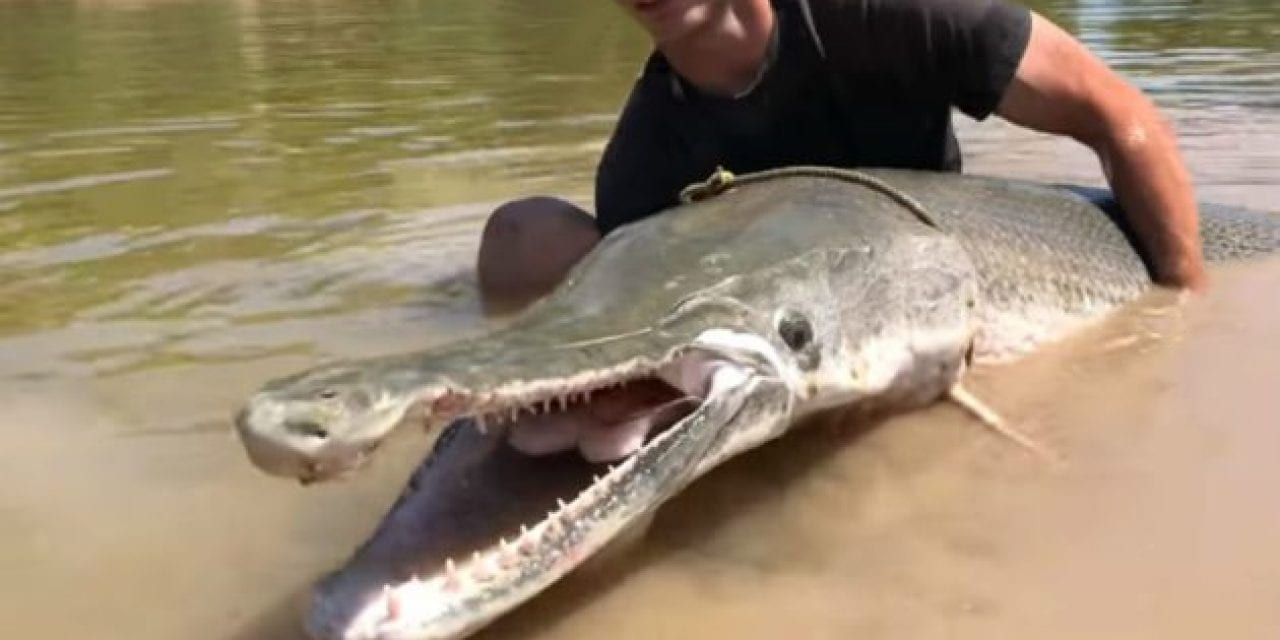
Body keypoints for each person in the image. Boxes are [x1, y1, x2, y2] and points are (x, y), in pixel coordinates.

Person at [475, 0, 1207, 314]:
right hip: (813, 324)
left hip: (950, 274)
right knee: (524, 233)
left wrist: (1184, 314)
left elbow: (1123, 117)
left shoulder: (892, 15)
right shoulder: (643, 169)